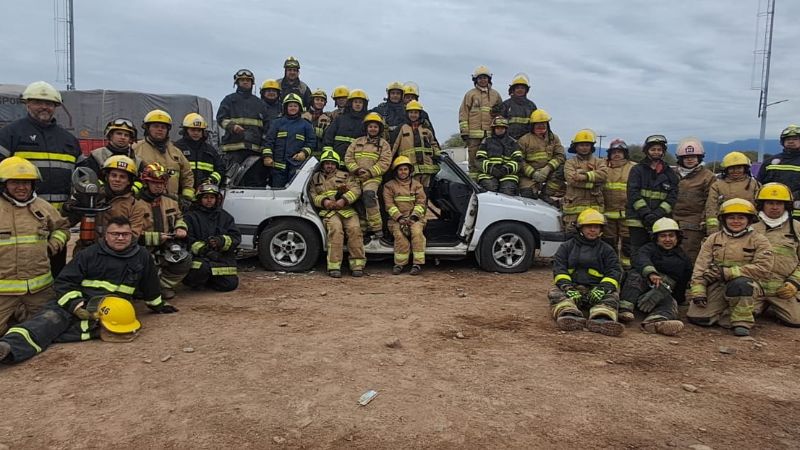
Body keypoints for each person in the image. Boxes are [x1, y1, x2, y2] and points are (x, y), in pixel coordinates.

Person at [0, 216, 176, 365]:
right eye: (115, 234)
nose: (120, 238)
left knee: (100, 328)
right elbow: (64, 282)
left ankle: (27, 342)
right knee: (49, 319)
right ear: (106, 235)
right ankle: (7, 348)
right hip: (76, 301)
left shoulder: (142, 256)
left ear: (132, 235)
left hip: (109, 308)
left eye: (125, 234)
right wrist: (75, 305)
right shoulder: (89, 254)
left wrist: (158, 305)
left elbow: (150, 285)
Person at [0, 81, 81, 277]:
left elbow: (82, 177)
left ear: (56, 107)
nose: (44, 107)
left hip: (57, 220)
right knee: (18, 268)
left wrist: (76, 207)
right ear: (27, 104)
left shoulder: (68, 140)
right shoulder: (10, 133)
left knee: (55, 269)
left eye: (50, 103)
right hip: (20, 219)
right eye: (38, 102)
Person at [0, 156, 69, 335]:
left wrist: (53, 244)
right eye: (15, 182)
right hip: (3, 292)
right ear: (4, 184)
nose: (22, 188)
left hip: (40, 290)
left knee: (50, 327)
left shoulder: (43, 207)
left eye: (27, 183)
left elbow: (62, 228)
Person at [687, 199, 773, 336]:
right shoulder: (713, 239)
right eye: (731, 217)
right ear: (724, 219)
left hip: (747, 286)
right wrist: (699, 292)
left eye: (741, 218)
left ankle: (742, 322)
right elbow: (700, 267)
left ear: (749, 220)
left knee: (740, 284)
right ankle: (730, 313)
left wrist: (727, 273)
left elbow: (763, 268)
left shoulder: (760, 240)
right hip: (718, 286)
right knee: (698, 318)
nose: (736, 221)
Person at [548, 208, 624, 336]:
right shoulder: (566, 247)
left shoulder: (607, 250)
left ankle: (601, 319)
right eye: (589, 226)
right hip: (573, 288)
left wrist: (602, 289)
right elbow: (559, 269)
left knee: (613, 297)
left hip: (596, 290)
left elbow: (614, 271)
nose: (593, 230)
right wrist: (568, 288)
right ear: (580, 228)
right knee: (555, 293)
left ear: (601, 230)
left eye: (596, 227)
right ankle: (569, 315)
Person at [618, 218, 691, 334]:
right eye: (663, 236)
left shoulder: (683, 259)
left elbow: (681, 284)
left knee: (671, 304)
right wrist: (651, 273)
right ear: (656, 238)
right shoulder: (648, 249)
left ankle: (655, 322)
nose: (667, 239)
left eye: (671, 236)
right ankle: (624, 310)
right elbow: (641, 259)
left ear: (677, 237)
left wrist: (669, 294)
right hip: (639, 287)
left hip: (660, 291)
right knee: (635, 275)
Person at [68, 155, 151, 253]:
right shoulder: (92, 197)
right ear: (107, 177)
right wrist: (71, 208)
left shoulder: (135, 205)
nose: (117, 180)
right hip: (85, 252)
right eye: (113, 175)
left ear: (129, 181)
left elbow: (132, 237)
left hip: (116, 255)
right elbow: (68, 222)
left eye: (122, 177)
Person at [138, 163, 191, 300]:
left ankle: (162, 286)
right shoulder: (135, 203)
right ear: (145, 183)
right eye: (154, 183)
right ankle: (143, 289)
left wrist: (181, 227)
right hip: (143, 247)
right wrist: (155, 238)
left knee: (185, 260)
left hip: (166, 245)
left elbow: (179, 217)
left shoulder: (171, 201)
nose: (159, 186)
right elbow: (131, 233)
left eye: (162, 183)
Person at [309, 150, 365, 278]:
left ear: (336, 165)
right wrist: (325, 202)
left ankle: (357, 265)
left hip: (347, 210)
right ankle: (334, 267)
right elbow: (312, 195)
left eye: (332, 163)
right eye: (327, 163)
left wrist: (343, 200)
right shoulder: (315, 178)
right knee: (336, 230)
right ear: (323, 165)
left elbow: (356, 190)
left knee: (355, 229)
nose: (329, 166)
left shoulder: (346, 175)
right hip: (329, 212)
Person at [751, 183, 800, 327]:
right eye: (770, 203)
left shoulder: (797, 228)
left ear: (787, 205)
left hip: (783, 287)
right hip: (755, 285)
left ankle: (777, 305)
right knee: (738, 314)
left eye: (779, 203)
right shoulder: (749, 227)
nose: (774, 207)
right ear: (761, 205)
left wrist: (794, 283)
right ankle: (760, 305)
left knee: (796, 320)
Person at [625, 134, 678, 256]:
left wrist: (657, 214)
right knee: (637, 251)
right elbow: (633, 193)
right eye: (653, 149)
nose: (656, 152)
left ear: (663, 152)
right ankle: (636, 274)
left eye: (659, 149)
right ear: (646, 151)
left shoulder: (670, 173)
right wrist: (646, 213)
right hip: (637, 220)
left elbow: (672, 197)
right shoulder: (637, 170)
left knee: (658, 252)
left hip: (660, 220)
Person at [217, 69, 271, 187]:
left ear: (252, 83)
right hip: (233, 150)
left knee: (254, 182)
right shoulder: (229, 100)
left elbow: (266, 127)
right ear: (237, 83)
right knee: (231, 181)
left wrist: (264, 149)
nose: (245, 82)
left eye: (248, 80)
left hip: (254, 151)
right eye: (242, 80)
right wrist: (232, 126)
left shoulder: (260, 104)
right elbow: (221, 118)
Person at [183, 183, 240, 291]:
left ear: (217, 199)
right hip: (198, 257)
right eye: (205, 197)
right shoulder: (190, 217)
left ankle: (209, 281)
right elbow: (188, 240)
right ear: (199, 199)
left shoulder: (225, 217)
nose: (209, 200)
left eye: (212, 197)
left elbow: (235, 237)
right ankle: (198, 281)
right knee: (201, 269)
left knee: (230, 284)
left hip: (219, 256)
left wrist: (221, 241)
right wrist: (206, 251)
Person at [344, 112, 392, 239]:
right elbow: (348, 158)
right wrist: (356, 170)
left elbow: (385, 162)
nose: (373, 129)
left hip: (372, 178)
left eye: (375, 127)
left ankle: (377, 228)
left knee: (369, 195)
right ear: (366, 128)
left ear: (379, 129)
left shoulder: (384, 144)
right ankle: (362, 227)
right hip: (355, 177)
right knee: (354, 199)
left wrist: (370, 172)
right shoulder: (357, 142)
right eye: (370, 126)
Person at [132, 109, 195, 204]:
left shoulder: (175, 152)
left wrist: (187, 196)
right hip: (143, 202)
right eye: (156, 126)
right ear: (147, 128)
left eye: (163, 127)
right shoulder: (136, 149)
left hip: (171, 203)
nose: (160, 129)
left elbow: (187, 174)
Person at [672, 137, 716, 261]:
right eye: (686, 157)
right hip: (672, 221)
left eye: (693, 157)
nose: (690, 159)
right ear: (680, 158)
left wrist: (704, 222)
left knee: (689, 256)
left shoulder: (708, 177)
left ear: (699, 158)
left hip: (694, 225)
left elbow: (710, 203)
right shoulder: (671, 174)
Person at [384, 156, 428, 276]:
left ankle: (417, 264)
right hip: (396, 220)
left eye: (405, 169)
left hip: (415, 218)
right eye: (400, 169)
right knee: (399, 235)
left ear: (410, 171)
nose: (403, 172)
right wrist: (400, 218)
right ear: (396, 171)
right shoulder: (389, 186)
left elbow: (421, 203)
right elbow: (389, 205)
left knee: (417, 232)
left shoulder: (417, 185)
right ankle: (399, 264)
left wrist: (413, 218)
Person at [262, 93, 316, 188]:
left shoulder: (306, 125)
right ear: (285, 108)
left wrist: (304, 153)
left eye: (295, 106)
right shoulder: (276, 123)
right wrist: (267, 156)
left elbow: (311, 142)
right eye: (290, 106)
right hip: (278, 167)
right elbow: (269, 141)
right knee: (276, 193)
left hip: (296, 166)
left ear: (300, 108)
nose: (293, 108)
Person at [458, 65, 502, 177]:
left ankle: (489, 183)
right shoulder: (470, 94)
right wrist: (464, 132)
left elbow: (501, 114)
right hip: (473, 136)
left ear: (489, 79)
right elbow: (463, 113)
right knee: (473, 161)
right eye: (480, 78)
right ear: (476, 80)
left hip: (491, 135)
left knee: (491, 159)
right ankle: (474, 184)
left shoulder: (495, 95)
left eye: (485, 77)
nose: (483, 80)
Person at [562, 129, 608, 233]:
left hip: (595, 207)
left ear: (591, 147)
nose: (584, 148)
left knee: (594, 238)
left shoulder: (599, 161)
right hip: (574, 208)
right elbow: (571, 180)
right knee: (572, 238)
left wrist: (585, 176)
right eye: (581, 145)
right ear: (576, 147)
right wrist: (595, 182)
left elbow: (604, 175)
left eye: (587, 145)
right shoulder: (570, 162)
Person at [705, 151, 760, 235]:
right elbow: (711, 209)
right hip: (723, 229)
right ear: (726, 170)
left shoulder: (754, 185)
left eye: (739, 168)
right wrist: (713, 232)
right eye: (732, 168)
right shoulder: (717, 186)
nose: (735, 171)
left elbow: (759, 207)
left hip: (750, 229)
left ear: (745, 168)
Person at [601, 139, 637, 269]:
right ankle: (611, 267)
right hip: (608, 214)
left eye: (620, 152)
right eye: (614, 152)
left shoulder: (634, 168)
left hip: (627, 214)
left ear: (625, 153)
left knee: (628, 243)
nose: (617, 155)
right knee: (609, 243)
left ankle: (628, 268)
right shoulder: (603, 168)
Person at [516, 109, 565, 203]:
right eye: (538, 124)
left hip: (549, 172)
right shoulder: (524, 140)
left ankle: (546, 193)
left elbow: (560, 156)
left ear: (547, 125)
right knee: (528, 195)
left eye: (543, 124)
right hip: (529, 175)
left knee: (562, 170)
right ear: (532, 126)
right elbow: (519, 160)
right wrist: (533, 173)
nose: (541, 126)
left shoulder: (554, 138)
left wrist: (547, 169)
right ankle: (534, 190)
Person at [391, 100, 441, 188]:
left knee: (425, 191)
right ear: (407, 114)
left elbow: (433, 143)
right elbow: (394, 146)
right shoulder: (402, 128)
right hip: (410, 167)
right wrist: (389, 159)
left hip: (426, 167)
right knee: (412, 190)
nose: (413, 115)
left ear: (420, 114)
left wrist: (438, 153)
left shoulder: (426, 128)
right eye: (411, 112)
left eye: (416, 112)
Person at [758, 125, 800, 220]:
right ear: (783, 141)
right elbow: (759, 185)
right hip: (772, 213)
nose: (791, 141)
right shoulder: (769, 162)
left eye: (795, 139)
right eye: (788, 139)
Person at [77, 118, 143, 177]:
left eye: (126, 135)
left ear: (130, 139)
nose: (123, 137)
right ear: (110, 136)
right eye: (119, 133)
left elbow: (140, 182)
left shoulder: (137, 161)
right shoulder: (96, 156)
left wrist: (133, 190)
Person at [174, 113, 225, 189]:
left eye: (199, 130)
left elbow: (221, 169)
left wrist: (212, 180)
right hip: (182, 193)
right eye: (193, 130)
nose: (196, 133)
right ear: (185, 130)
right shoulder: (177, 148)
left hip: (204, 194)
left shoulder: (210, 150)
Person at [475, 117, 522, 195]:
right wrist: (492, 169)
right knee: (490, 188)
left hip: (508, 175)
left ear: (506, 129)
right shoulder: (486, 141)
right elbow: (479, 159)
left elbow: (518, 160)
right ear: (493, 129)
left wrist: (506, 169)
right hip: (488, 174)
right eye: (497, 128)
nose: (500, 130)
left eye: (502, 128)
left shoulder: (513, 142)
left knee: (507, 190)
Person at [323, 89, 369, 158]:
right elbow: (328, 137)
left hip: (355, 161)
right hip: (336, 160)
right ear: (350, 103)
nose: (358, 104)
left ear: (364, 105)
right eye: (355, 102)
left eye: (360, 102)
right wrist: (329, 156)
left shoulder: (366, 122)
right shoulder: (340, 119)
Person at [500, 73, 537, 140]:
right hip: (508, 140)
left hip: (526, 140)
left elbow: (535, 124)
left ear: (526, 90)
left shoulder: (531, 106)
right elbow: (500, 123)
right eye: (517, 88)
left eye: (522, 88)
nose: (520, 90)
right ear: (513, 90)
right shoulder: (506, 104)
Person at [301, 89, 333, 160]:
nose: (320, 102)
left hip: (319, 154)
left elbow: (329, 136)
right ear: (312, 101)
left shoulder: (328, 118)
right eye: (317, 99)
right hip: (303, 152)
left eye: (322, 100)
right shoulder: (303, 116)